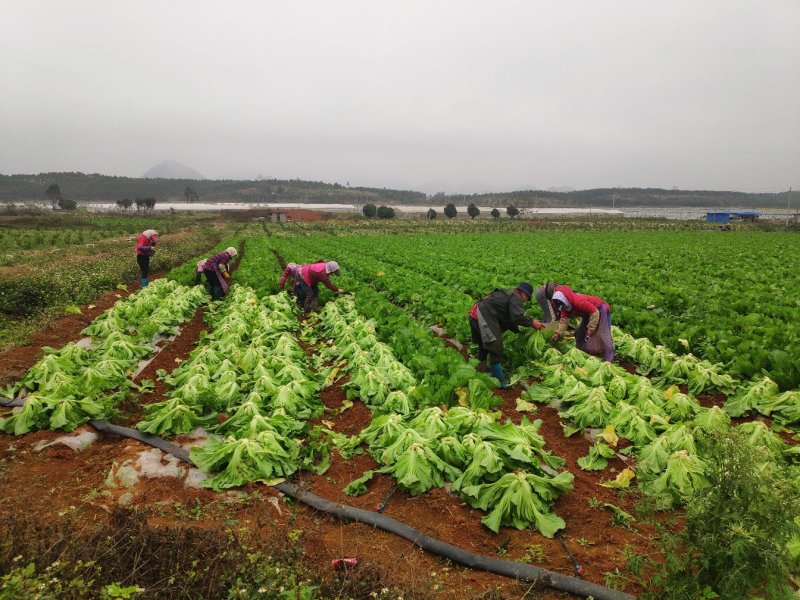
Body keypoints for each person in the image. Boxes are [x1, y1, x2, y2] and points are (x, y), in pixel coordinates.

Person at [468, 282, 544, 389]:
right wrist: (532, 322)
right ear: (523, 294)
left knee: (484, 347)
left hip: (474, 316)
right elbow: (516, 317)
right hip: (483, 317)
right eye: (527, 298)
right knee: (495, 347)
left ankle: (480, 373)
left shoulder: (508, 294)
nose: (526, 301)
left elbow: (508, 319)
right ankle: (500, 382)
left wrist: (519, 331)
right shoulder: (516, 297)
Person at [548, 284, 614, 362]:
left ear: (565, 301)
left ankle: (609, 359)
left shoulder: (578, 301)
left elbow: (595, 312)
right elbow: (564, 322)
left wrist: (591, 328)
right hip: (588, 314)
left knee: (603, 336)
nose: (563, 308)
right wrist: (557, 333)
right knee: (579, 333)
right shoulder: (564, 308)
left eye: (563, 306)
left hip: (601, 309)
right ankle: (581, 352)